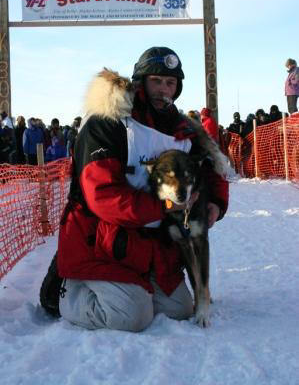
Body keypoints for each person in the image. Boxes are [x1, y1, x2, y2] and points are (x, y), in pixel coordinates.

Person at [40, 47, 229, 332]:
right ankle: (66, 292)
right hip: (99, 238)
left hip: (147, 244)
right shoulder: (108, 122)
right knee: (131, 316)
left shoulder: (180, 128)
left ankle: (134, 288)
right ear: (140, 81)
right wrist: (164, 207)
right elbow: (102, 196)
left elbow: (210, 165)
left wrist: (215, 201)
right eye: (156, 80)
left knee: (179, 309)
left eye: (171, 83)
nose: (163, 89)